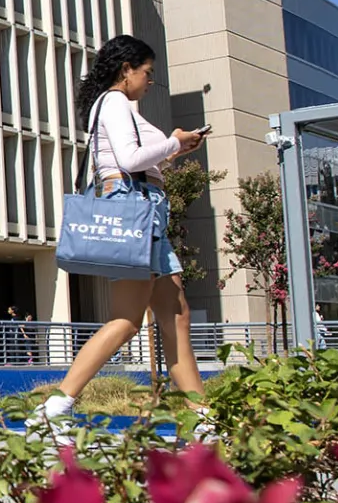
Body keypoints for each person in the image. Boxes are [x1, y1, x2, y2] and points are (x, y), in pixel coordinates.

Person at [37, 34, 209, 443]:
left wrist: (175, 150)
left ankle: (203, 419)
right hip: (133, 210)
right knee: (127, 319)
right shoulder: (115, 102)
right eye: (147, 72)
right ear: (126, 69)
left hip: (146, 212)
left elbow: (138, 161)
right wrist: (174, 141)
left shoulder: (118, 106)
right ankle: (55, 407)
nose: (150, 81)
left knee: (176, 315)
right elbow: (129, 160)